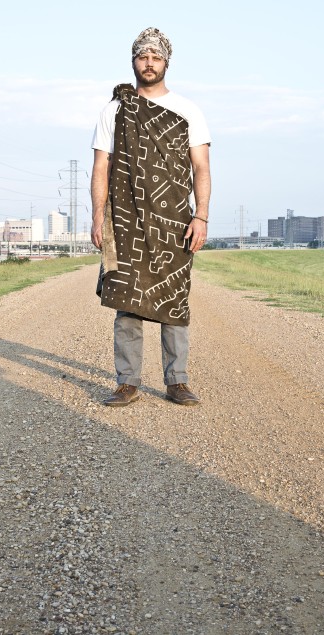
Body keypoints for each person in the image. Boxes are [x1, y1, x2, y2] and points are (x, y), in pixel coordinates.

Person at [91, 26, 211, 407]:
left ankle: (177, 381)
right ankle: (127, 382)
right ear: (133, 61)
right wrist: (98, 217)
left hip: (175, 218)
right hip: (125, 217)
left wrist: (201, 216)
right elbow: (101, 167)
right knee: (127, 300)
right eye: (143, 56)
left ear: (166, 63)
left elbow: (201, 168)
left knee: (175, 299)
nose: (149, 63)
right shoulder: (115, 109)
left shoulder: (188, 110)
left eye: (156, 57)